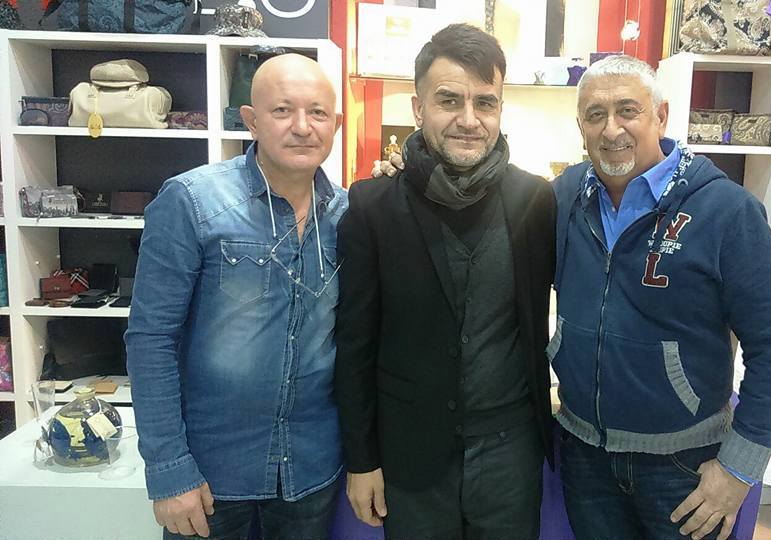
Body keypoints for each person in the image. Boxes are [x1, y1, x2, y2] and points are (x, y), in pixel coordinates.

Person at [551, 55, 771, 540]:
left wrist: (739, 468)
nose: (612, 129)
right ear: (581, 126)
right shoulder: (565, 198)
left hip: (684, 466)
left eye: (628, 110)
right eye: (596, 114)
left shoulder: (727, 211)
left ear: (661, 116)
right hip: (585, 458)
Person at [335, 23, 556, 539]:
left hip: (510, 454)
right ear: (418, 108)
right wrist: (361, 459)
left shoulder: (536, 201)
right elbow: (354, 344)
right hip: (410, 455)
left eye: (485, 103)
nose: (468, 120)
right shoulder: (372, 206)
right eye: (449, 100)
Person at [125, 53, 346, 540]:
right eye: (283, 110)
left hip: (311, 471)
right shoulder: (192, 201)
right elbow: (150, 339)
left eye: (317, 113)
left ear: (335, 124)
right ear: (251, 120)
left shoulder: (348, 215)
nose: (302, 127)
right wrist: (168, 467)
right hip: (211, 475)